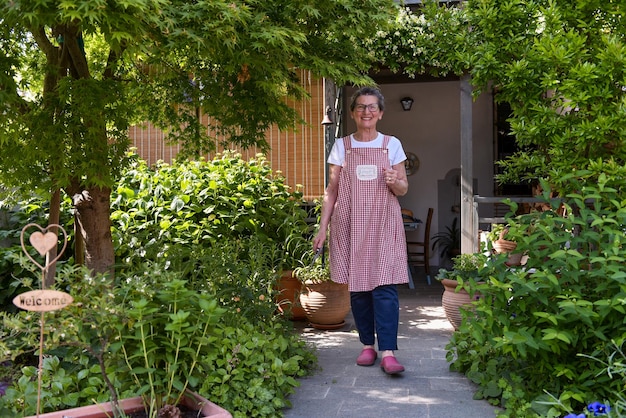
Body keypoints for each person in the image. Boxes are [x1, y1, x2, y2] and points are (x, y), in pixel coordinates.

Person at [312, 86, 409, 375]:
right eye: (361, 107)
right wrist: (322, 228)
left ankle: (388, 351)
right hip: (350, 223)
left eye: (372, 107)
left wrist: (395, 181)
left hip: (383, 224)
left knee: (385, 286)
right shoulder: (342, 146)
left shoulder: (392, 145)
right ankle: (367, 345)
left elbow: (403, 189)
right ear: (354, 113)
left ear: (380, 113)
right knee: (359, 289)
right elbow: (332, 190)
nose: (367, 111)